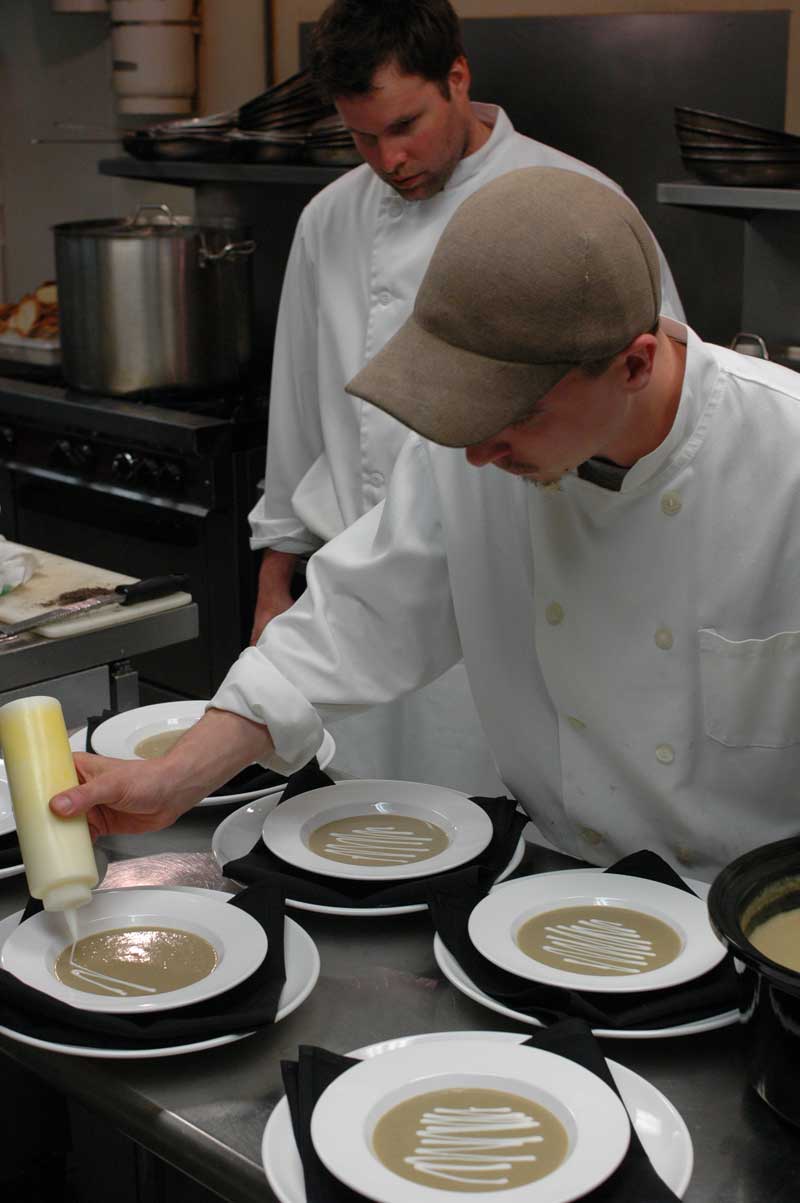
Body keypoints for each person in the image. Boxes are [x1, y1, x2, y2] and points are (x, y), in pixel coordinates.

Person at [53, 166, 800, 880]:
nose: (477, 451)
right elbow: (350, 621)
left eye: (516, 413)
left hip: (755, 919)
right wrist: (173, 777)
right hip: (549, 887)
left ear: (634, 366)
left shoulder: (785, 460)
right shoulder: (482, 456)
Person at [246, 0, 684, 791]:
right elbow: (301, 410)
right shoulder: (329, 221)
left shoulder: (576, 204)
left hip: (523, 595)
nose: (389, 158)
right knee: (367, 841)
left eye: (406, 124)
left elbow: (656, 411)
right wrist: (278, 576)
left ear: (457, 78)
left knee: (507, 824)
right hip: (358, 599)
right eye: (363, 136)